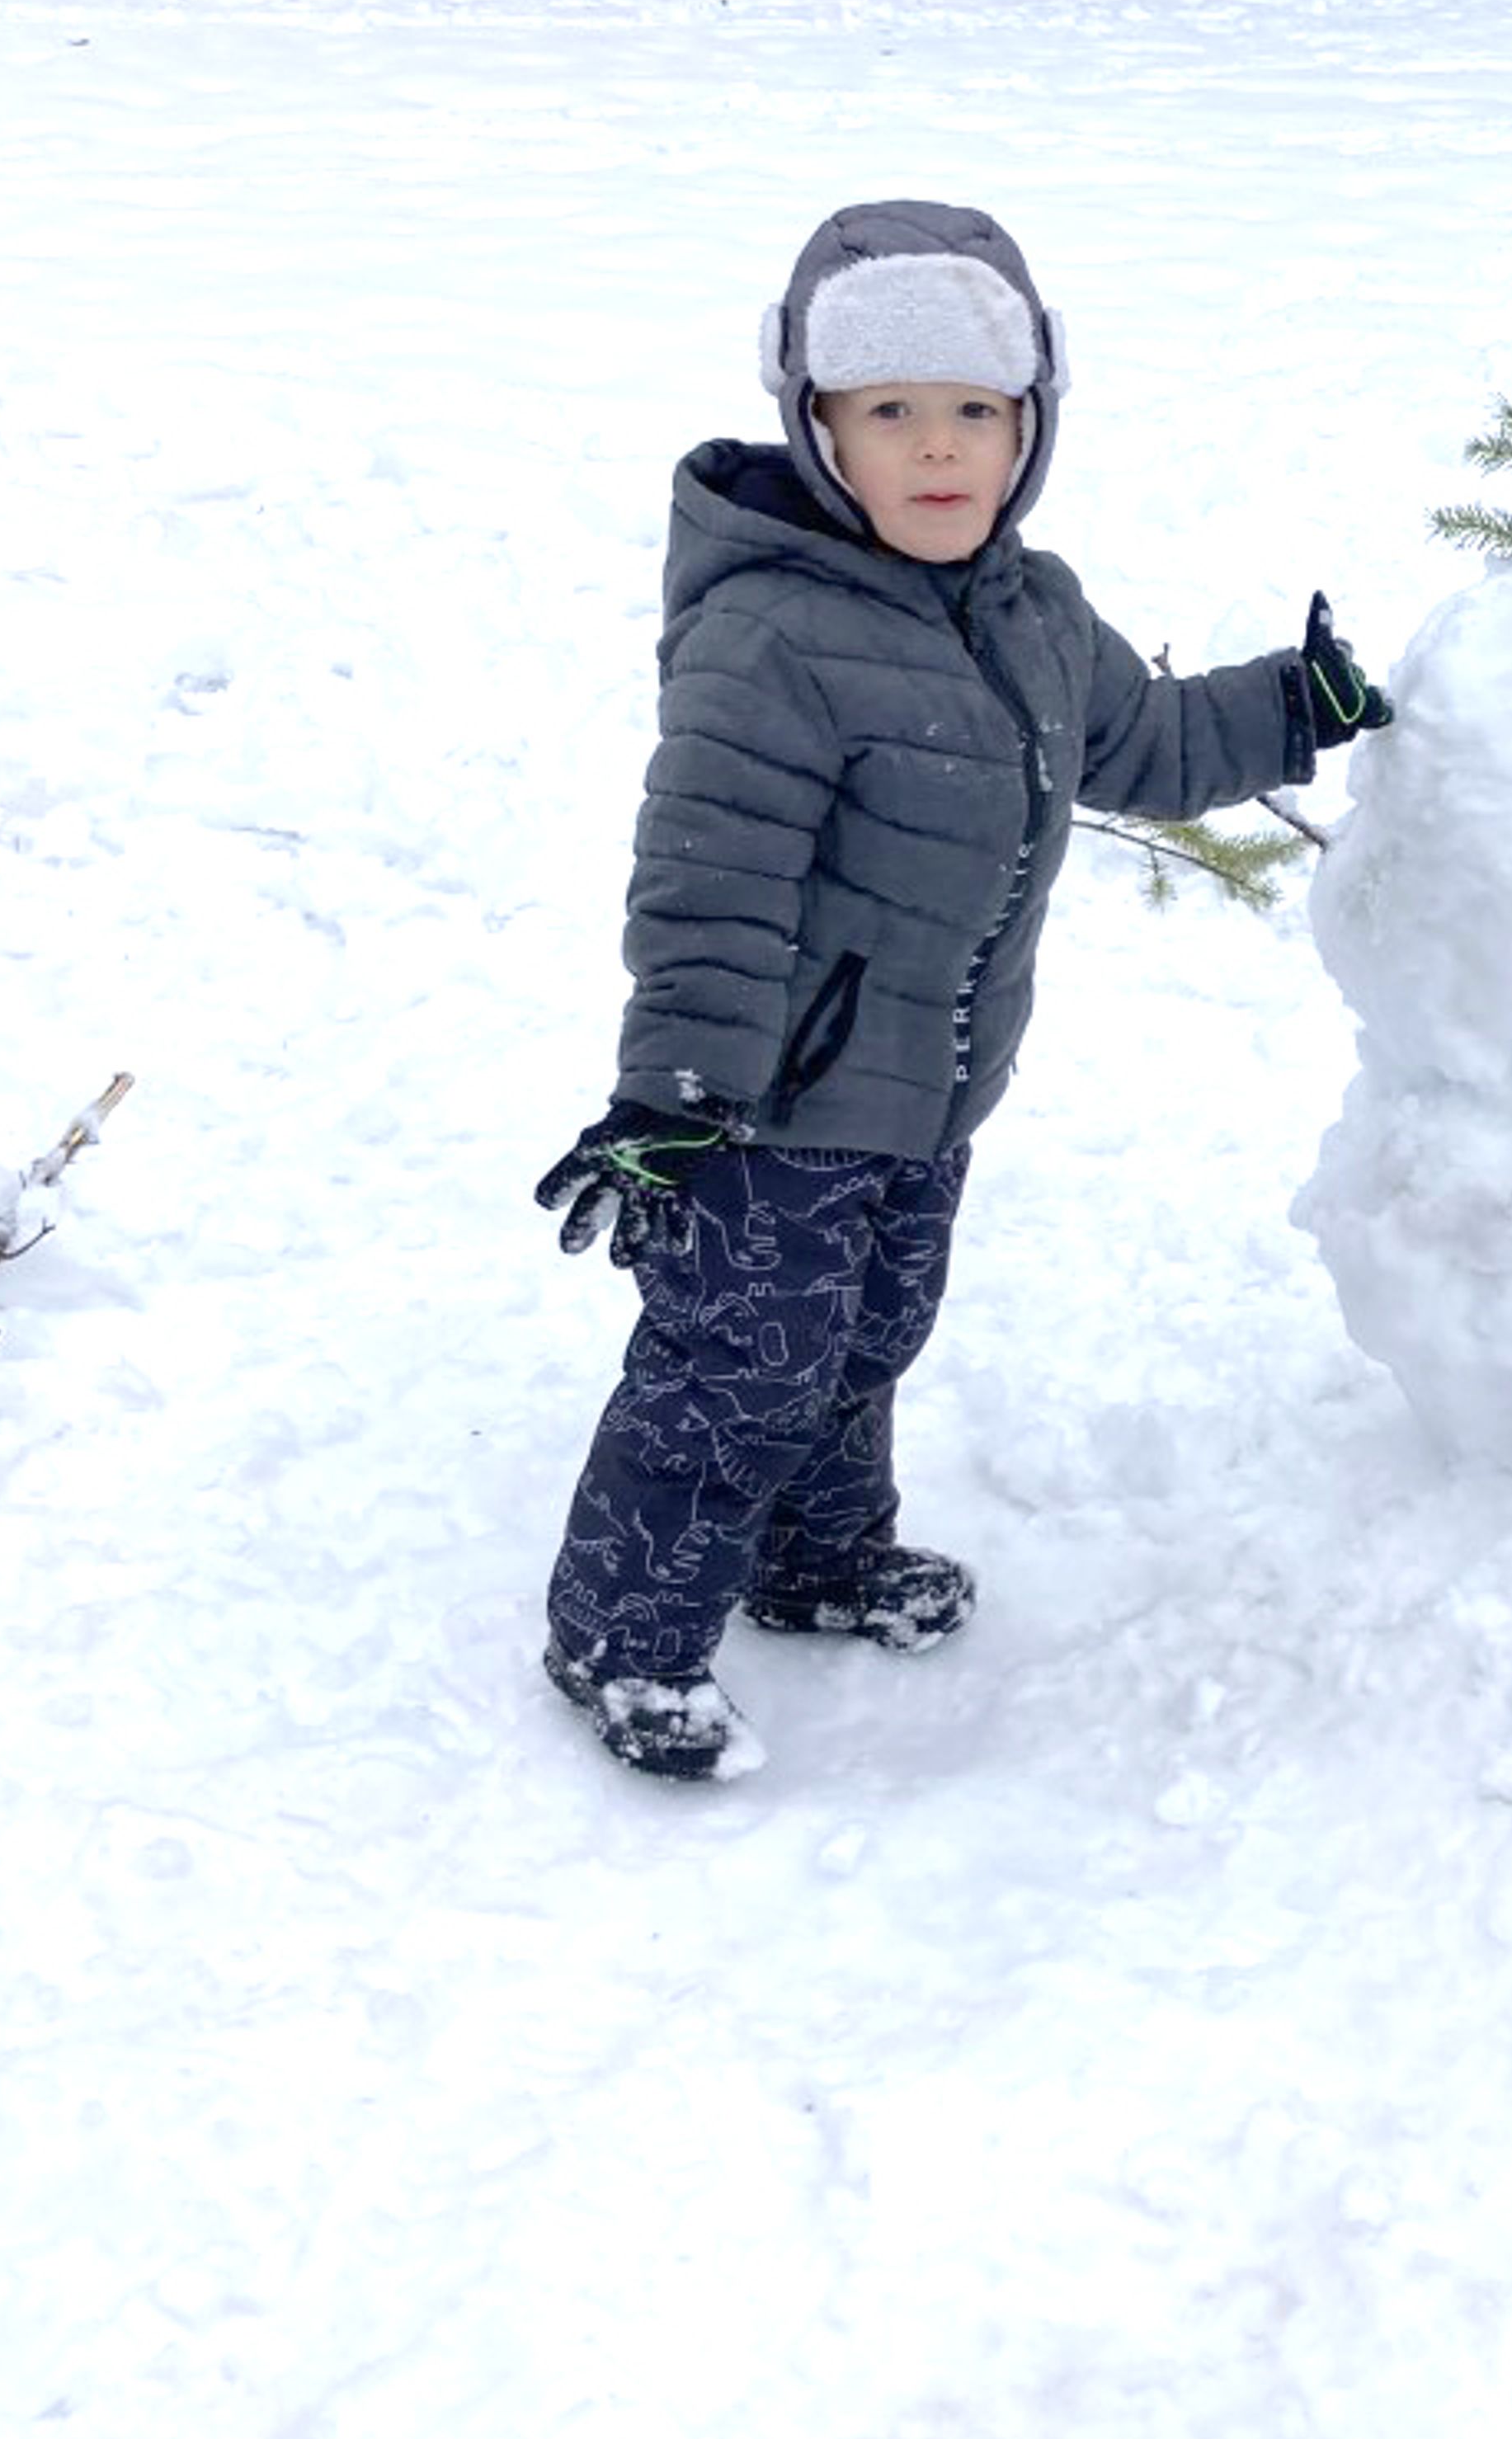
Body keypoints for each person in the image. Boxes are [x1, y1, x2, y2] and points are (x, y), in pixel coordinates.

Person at [533, 197, 1392, 1781]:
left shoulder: (1032, 610)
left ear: (1031, 427)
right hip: (764, 1109)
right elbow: (708, 888)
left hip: (927, 1093)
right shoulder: (771, 639)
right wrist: (670, 1099)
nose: (940, 451)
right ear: (818, 431)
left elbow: (1143, 747)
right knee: (737, 1371)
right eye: (891, 414)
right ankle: (624, 1635)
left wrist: (1294, 704)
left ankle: (815, 1561)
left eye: (977, 414)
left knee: (867, 1337)